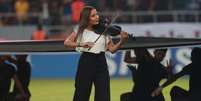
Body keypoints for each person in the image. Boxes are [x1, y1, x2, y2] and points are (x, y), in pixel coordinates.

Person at [64, 6, 128, 101]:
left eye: (97, 14)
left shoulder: (103, 30)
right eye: (93, 16)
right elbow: (67, 42)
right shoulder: (80, 29)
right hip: (86, 62)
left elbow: (112, 49)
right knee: (81, 94)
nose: (97, 17)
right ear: (87, 19)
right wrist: (81, 44)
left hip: (101, 63)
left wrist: (122, 41)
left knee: (104, 95)